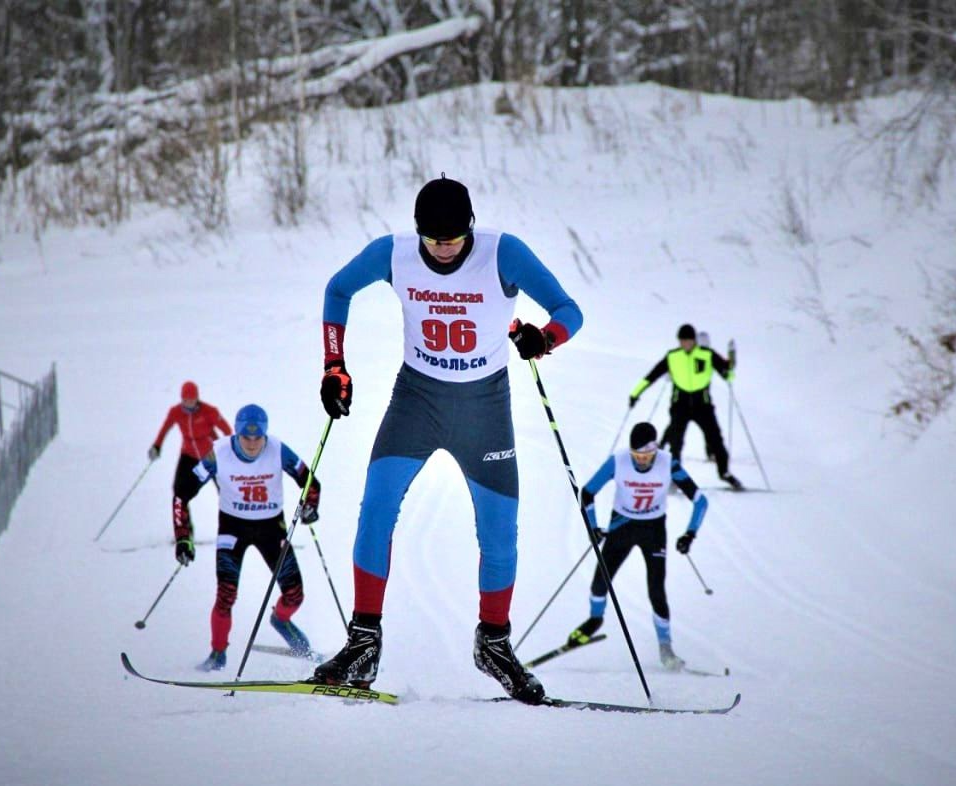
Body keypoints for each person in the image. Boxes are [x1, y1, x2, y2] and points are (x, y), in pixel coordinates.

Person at [310, 175, 583, 704]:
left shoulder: (504, 253)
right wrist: (334, 365)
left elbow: (570, 311)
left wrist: (543, 338)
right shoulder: (395, 254)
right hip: (416, 400)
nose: (443, 249)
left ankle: (494, 644)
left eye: (454, 239)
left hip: (484, 409)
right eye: (433, 240)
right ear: (419, 234)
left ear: (470, 228)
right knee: (376, 510)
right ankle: (364, 639)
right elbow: (337, 289)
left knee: (500, 532)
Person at [190, 404, 322, 671]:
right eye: (245, 437)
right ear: (236, 435)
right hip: (232, 528)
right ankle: (218, 654)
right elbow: (186, 489)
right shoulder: (219, 453)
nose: (252, 443)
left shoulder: (278, 449)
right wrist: (183, 534)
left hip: (271, 528)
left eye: (257, 437)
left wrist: (310, 506)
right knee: (226, 595)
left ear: (265, 434)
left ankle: (281, 620)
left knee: (295, 595)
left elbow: (310, 481)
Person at [567, 422, 708, 670]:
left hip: (653, 530)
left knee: (656, 590)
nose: (641, 460)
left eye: (646, 455)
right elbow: (587, 493)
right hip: (622, 526)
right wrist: (593, 527)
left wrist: (690, 534)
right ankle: (594, 620)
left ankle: (666, 648)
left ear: (655, 450)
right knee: (601, 580)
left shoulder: (668, 462)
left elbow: (700, 500)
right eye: (637, 455)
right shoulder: (618, 461)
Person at [627, 324, 743, 491]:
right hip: (680, 404)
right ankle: (675, 475)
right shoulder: (673, 356)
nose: (685, 344)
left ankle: (724, 472)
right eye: (682, 341)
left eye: (688, 340)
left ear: (694, 340)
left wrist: (728, 373)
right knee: (676, 442)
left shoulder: (707, 354)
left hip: (702, 404)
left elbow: (727, 372)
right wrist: (635, 394)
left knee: (715, 439)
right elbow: (652, 376)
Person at [149, 381, 232, 563]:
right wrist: (157, 445)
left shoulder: (209, 411)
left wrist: (231, 448)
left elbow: (226, 429)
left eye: (192, 400)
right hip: (188, 455)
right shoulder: (175, 412)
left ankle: (234, 528)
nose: (189, 403)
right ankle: (185, 532)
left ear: (197, 398)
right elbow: (165, 428)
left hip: (211, 456)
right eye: (186, 400)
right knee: (179, 492)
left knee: (226, 491)